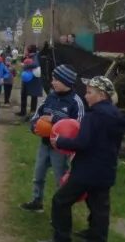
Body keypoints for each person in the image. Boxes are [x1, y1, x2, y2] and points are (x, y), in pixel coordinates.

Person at [37, 76, 125, 242]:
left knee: (61, 200)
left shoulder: (93, 116)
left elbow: (81, 143)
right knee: (99, 209)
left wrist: (60, 141)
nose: (86, 96)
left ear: (101, 95)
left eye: (89, 92)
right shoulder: (116, 115)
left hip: (87, 170)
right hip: (106, 170)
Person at [20, 64, 85, 212]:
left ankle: (60, 209)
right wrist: (35, 127)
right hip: (45, 144)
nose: (52, 82)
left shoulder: (76, 102)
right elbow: (37, 115)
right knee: (38, 175)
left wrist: (54, 120)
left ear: (66, 81)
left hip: (61, 149)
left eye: (56, 80)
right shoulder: (50, 96)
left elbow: (79, 126)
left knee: (60, 179)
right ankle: (37, 201)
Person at [17, 45, 43, 118]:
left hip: (33, 80)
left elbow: (35, 64)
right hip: (27, 79)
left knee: (33, 96)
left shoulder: (35, 56)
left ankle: (32, 112)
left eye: (26, 50)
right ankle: (23, 111)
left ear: (29, 50)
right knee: (24, 94)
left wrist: (24, 66)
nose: (25, 51)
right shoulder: (29, 56)